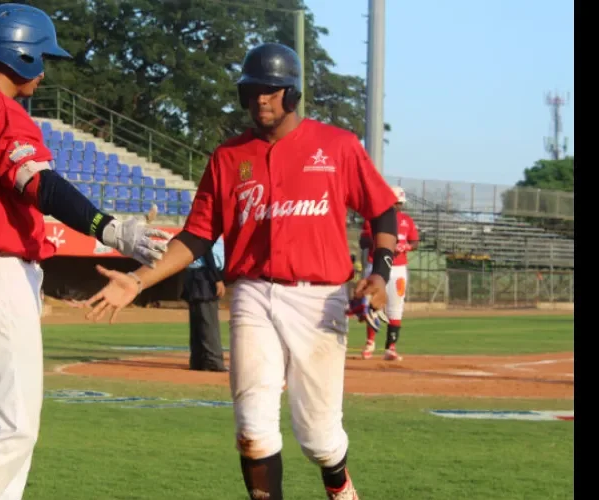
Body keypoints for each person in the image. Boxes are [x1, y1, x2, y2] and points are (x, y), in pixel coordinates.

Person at [83, 42, 398, 500]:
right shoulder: (229, 158)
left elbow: (383, 210)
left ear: (292, 94)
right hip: (252, 292)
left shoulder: (337, 146)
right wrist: (137, 279)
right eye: (252, 92)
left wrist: (381, 272)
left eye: (271, 91)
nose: (260, 101)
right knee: (252, 426)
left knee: (318, 438)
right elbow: (195, 237)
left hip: (320, 297)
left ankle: (338, 480)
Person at [0, 4, 170, 500]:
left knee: (1, 429)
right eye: (42, 55)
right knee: (10, 429)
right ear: (21, 54)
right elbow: (40, 183)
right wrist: (107, 228)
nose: (45, 65)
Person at [359, 186, 419, 361]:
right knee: (373, 305)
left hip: (398, 268)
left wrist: (406, 246)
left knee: (395, 306)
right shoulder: (374, 218)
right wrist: (383, 243)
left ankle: (390, 347)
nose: (397, 207)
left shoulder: (407, 220)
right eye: (396, 203)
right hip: (376, 265)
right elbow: (363, 240)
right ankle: (370, 343)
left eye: (399, 203)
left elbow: (415, 241)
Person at [181, 237, 226, 372]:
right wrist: (217, 278)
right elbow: (208, 253)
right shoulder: (209, 233)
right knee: (208, 321)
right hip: (205, 275)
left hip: (194, 274)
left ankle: (198, 361)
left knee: (197, 321)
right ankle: (213, 361)